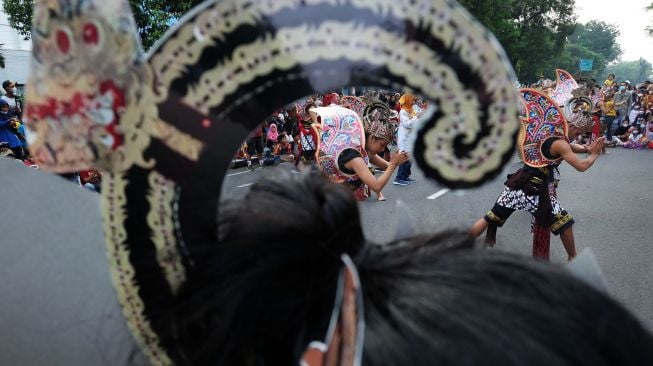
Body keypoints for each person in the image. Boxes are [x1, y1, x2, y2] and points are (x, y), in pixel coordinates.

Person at [166, 168, 653, 365]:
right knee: (490, 223)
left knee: (486, 223)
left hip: (522, 196)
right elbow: (585, 164)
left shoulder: (540, 140)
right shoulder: (555, 146)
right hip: (526, 195)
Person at [469, 90, 605, 261]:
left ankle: (460, 245)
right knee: (565, 221)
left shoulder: (550, 132)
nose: (578, 137)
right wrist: (594, 154)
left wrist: (586, 149)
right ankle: (572, 256)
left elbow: (568, 147)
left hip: (517, 183)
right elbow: (581, 166)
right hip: (534, 190)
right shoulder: (560, 142)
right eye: (578, 133)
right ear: (572, 126)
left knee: (490, 217)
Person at [311, 105, 408, 200]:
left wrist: (398, 160)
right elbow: (377, 186)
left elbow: (386, 166)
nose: (383, 150)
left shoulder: (363, 150)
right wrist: (393, 164)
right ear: (372, 138)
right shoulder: (355, 159)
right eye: (382, 145)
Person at [394, 93, 420, 186]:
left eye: (414, 100)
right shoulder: (403, 111)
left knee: (409, 157)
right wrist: (416, 117)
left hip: (410, 138)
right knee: (404, 157)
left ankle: (406, 176)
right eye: (412, 100)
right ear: (408, 100)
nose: (414, 102)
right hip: (404, 138)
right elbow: (406, 124)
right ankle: (399, 178)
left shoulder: (412, 110)